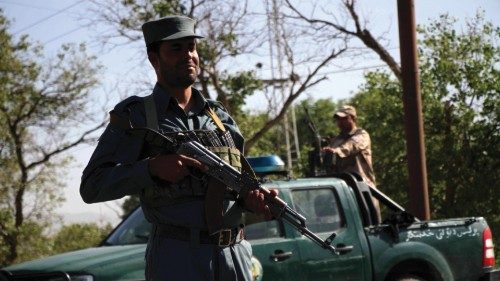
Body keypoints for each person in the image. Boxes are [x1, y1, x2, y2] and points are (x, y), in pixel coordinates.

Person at [80, 15, 276, 281]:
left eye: (192, 47)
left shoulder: (219, 118)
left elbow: (239, 184)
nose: (189, 55)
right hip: (178, 259)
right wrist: (150, 168)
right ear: (154, 58)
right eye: (176, 48)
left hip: (234, 256)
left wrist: (253, 199)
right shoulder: (136, 116)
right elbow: (92, 186)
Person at [322, 105, 376, 188]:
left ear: (353, 118)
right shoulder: (336, 140)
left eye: (344, 119)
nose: (340, 122)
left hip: (363, 187)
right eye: (338, 119)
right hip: (343, 187)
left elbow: (352, 145)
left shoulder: (362, 134)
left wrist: (337, 151)